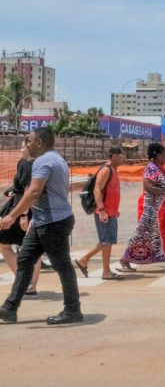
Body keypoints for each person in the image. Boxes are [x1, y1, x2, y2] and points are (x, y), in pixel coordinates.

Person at [0, 127, 83, 325]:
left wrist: (13, 215)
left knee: (62, 265)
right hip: (43, 221)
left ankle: (73, 310)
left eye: (29, 140)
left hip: (53, 222)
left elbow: (34, 192)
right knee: (25, 260)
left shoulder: (43, 161)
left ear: (41, 142)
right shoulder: (57, 158)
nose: (26, 144)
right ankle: (10, 308)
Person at [120, 143, 165, 273]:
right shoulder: (151, 168)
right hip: (153, 211)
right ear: (157, 155)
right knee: (142, 236)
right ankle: (125, 259)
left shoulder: (161, 168)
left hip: (164, 210)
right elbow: (148, 187)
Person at [74, 146, 126, 280]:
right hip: (104, 212)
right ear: (114, 156)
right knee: (106, 241)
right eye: (121, 156)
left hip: (111, 211)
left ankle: (84, 260)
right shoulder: (106, 170)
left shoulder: (114, 170)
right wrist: (102, 210)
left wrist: (114, 210)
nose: (123, 158)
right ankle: (105, 271)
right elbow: (97, 190)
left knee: (106, 241)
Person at [0, 141, 41, 296]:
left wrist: (23, 215)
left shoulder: (27, 164)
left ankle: (24, 282)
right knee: (32, 248)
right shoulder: (34, 163)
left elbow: (28, 189)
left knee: (4, 245)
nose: (20, 149)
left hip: (20, 209)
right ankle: (30, 285)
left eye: (23, 146)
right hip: (30, 208)